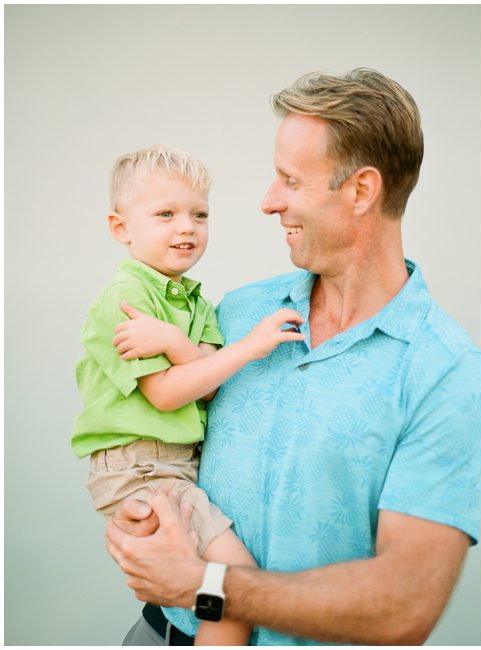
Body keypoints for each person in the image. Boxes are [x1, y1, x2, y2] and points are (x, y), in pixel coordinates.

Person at [104, 69, 481, 645]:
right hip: (156, 633)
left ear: (360, 191)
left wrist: (204, 584)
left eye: (288, 180)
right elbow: (170, 444)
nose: (267, 201)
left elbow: (405, 608)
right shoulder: (235, 313)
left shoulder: (446, 372)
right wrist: (146, 513)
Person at [72, 145, 306, 645]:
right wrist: (240, 349)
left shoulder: (193, 299)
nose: (187, 227)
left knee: (215, 590)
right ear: (121, 228)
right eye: (165, 214)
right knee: (235, 586)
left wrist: (180, 345)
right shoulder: (126, 298)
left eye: (199, 214)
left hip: (173, 463)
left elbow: (208, 378)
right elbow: (166, 394)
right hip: (141, 465)